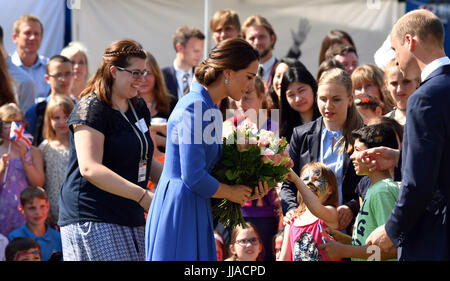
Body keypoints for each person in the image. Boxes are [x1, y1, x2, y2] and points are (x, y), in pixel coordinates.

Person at [145, 38, 270, 261]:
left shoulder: (210, 106)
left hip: (194, 205)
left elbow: (212, 168)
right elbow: (193, 175)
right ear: (228, 72)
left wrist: (249, 186)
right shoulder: (195, 105)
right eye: (249, 77)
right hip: (179, 207)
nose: (251, 85)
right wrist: (231, 192)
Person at [58, 39, 163, 261]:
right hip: (93, 217)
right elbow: (89, 168)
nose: (141, 80)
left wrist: (175, 185)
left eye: (144, 73)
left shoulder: (138, 106)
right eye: (135, 73)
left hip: (129, 214)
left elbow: (144, 159)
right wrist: (142, 196)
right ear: (114, 71)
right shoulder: (92, 107)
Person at [363, 9, 450, 261]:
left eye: (395, 49)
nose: (396, 59)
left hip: (436, 239)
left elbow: (419, 184)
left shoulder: (424, 98)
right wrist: (401, 157)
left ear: (410, 42)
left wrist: (392, 230)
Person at [280, 68, 363, 233]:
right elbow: (288, 183)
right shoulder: (301, 134)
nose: (328, 106)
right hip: (307, 227)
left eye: (336, 99)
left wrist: (351, 208)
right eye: (323, 99)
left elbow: (369, 185)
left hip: (348, 229)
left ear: (350, 100)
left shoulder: (363, 135)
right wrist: (291, 210)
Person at [318, 123, 399, 261]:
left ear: (377, 153)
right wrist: (347, 241)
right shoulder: (374, 189)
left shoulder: (382, 191)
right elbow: (374, 247)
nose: (351, 156)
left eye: (357, 150)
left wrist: (344, 251)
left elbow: (393, 250)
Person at [0, 103, 45, 237]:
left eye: (18, 122)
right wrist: (2, 169)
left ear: (24, 124)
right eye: (8, 122)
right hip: (2, 210)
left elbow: (38, 183)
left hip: (27, 212)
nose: (14, 126)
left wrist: (24, 158)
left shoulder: (33, 151)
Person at [279, 162, 339, 261]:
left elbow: (315, 207)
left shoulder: (331, 213)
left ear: (330, 189)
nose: (309, 183)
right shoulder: (293, 219)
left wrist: (296, 179)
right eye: (305, 180)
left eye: (316, 180)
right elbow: (284, 257)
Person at [38, 94, 74, 225]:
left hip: (75, 208)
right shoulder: (45, 148)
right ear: (49, 120)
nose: (62, 122)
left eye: (66, 117)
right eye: (56, 118)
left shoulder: (79, 144)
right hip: (53, 208)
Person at [25, 55, 74, 146]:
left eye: (67, 73)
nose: (63, 79)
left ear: (73, 75)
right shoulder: (36, 111)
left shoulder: (81, 108)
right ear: (47, 79)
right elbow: (29, 147)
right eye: (58, 75)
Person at [8, 187, 62, 261]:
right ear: (21, 209)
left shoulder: (58, 237)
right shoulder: (14, 237)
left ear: (47, 206)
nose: (38, 212)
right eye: (32, 208)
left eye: (42, 206)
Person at [139, 51, 176, 153]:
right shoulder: (126, 106)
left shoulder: (172, 104)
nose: (143, 79)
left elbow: (182, 140)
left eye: (148, 73)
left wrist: (161, 141)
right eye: (139, 73)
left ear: (156, 75)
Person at [11, 14, 49, 102]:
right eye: (27, 33)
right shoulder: (6, 69)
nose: (32, 37)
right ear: (15, 38)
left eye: (36, 34)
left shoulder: (50, 67)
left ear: (41, 38)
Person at [279, 63, 321, 142]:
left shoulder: (328, 120)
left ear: (312, 87)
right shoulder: (283, 131)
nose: (298, 99)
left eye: (301, 91)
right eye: (291, 95)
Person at [162, 26, 205, 102]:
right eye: (196, 51)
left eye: (201, 51)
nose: (200, 55)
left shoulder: (203, 76)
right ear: (180, 48)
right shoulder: (161, 76)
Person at [241, 15, 278, 91]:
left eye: (261, 37)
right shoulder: (239, 74)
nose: (257, 42)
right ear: (244, 41)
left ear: (272, 39)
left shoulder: (283, 71)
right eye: (252, 38)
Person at [383, 58, 421, 126]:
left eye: (406, 82)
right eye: (394, 83)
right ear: (386, 85)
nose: (399, 89)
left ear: (418, 81)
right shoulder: (383, 123)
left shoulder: (431, 116)